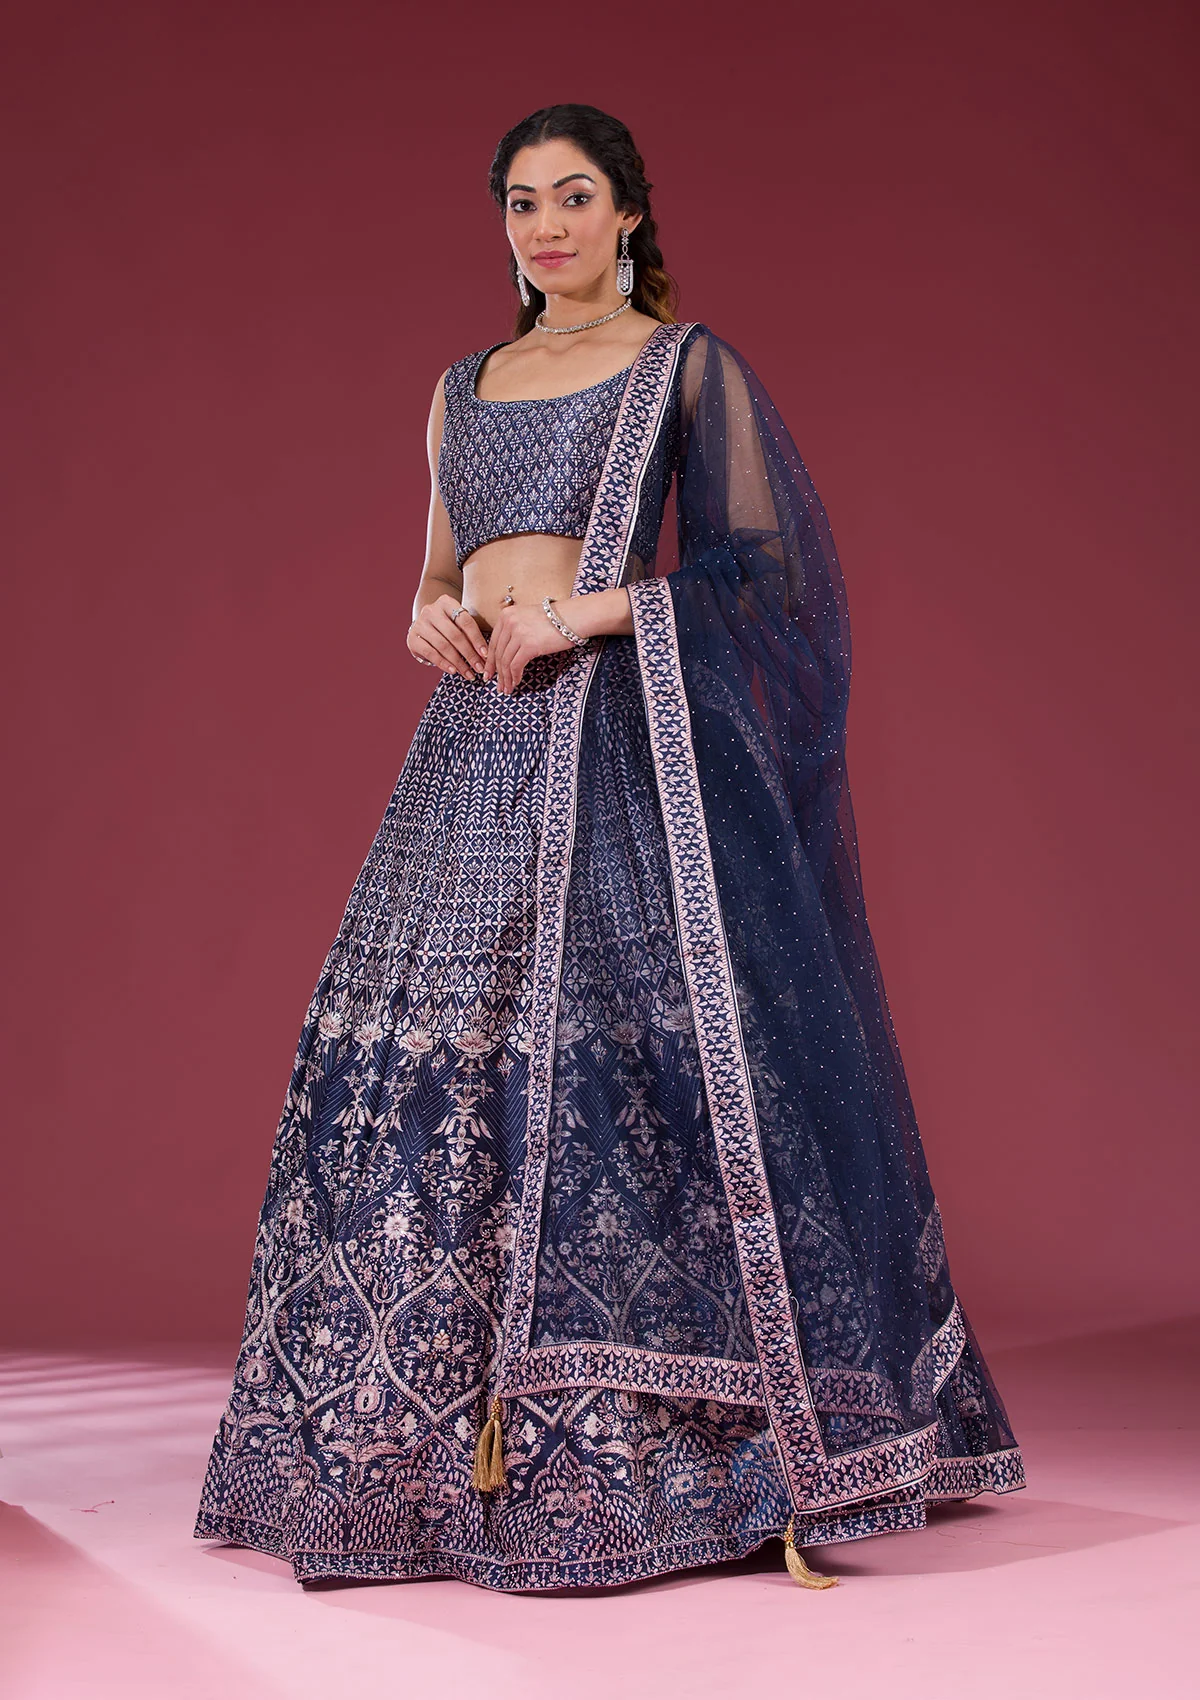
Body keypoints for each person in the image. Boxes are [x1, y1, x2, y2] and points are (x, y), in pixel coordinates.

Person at [194, 102, 1025, 1593]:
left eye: (574, 198)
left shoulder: (681, 367)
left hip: (619, 747)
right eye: (521, 203)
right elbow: (438, 574)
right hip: (474, 745)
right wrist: (428, 621)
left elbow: (768, 577)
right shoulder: (461, 387)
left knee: (646, 1071)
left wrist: (588, 612)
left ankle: (685, 1444)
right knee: (431, 1074)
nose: (546, 228)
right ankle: (420, 1457)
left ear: (629, 212)